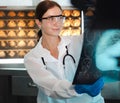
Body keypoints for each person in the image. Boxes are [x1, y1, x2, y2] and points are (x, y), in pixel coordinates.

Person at [24, 0, 104, 103]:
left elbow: (96, 35)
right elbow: (51, 86)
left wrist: (94, 10)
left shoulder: (76, 42)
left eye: (60, 17)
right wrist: (76, 88)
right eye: (51, 18)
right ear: (39, 22)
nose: (57, 23)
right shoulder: (32, 58)